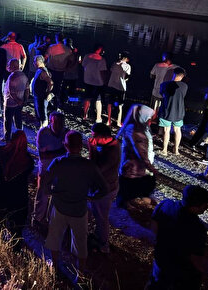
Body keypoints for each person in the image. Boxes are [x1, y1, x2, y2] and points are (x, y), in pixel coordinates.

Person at [43, 130, 108, 272]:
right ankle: (80, 272)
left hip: (60, 207)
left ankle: (54, 265)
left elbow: (45, 181)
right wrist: (91, 197)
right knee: (80, 242)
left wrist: (52, 192)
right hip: (79, 209)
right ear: (81, 146)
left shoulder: (59, 162)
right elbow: (104, 188)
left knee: (55, 238)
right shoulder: (88, 166)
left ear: (65, 145)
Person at [147, 185, 208, 290]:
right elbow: (195, 258)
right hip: (181, 272)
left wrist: (159, 241)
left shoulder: (165, 204)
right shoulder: (197, 228)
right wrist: (204, 271)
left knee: (155, 284)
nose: (207, 208)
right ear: (194, 207)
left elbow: (154, 222)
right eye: (204, 205)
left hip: (160, 260)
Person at [0, 130, 34, 239]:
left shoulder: (1, 151)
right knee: (17, 227)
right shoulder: (27, 160)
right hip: (18, 196)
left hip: (1, 192)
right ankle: (15, 248)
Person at [88, 123, 120, 253]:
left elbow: (95, 169)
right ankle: (98, 236)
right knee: (99, 214)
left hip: (106, 189)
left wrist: (92, 149)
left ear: (103, 136)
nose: (92, 138)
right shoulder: (112, 144)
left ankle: (103, 245)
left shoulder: (111, 152)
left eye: (94, 136)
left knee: (102, 217)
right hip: (107, 186)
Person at [118, 104, 158, 207]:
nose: (149, 119)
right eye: (148, 117)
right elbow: (141, 151)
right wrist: (151, 167)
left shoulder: (137, 126)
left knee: (130, 193)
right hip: (134, 169)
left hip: (133, 167)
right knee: (131, 194)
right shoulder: (136, 130)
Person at [32, 111, 67, 227]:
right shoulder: (43, 133)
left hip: (60, 169)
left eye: (61, 123)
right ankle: (37, 218)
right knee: (43, 192)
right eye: (56, 123)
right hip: (46, 168)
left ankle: (50, 219)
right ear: (51, 122)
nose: (59, 126)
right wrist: (61, 152)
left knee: (56, 194)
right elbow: (43, 156)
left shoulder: (65, 133)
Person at [158, 67, 188, 156]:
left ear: (173, 74)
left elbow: (162, 94)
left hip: (167, 110)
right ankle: (176, 150)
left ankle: (165, 150)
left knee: (166, 130)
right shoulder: (185, 86)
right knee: (177, 130)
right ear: (182, 76)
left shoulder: (164, 84)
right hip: (179, 111)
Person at [81, 44, 109, 122]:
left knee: (87, 98)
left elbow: (83, 66)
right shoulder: (102, 60)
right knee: (98, 100)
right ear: (99, 50)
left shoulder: (87, 56)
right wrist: (105, 82)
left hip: (87, 80)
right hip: (98, 82)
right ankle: (98, 118)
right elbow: (103, 72)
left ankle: (85, 115)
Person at [2, 58, 27, 141]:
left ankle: (7, 138)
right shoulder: (24, 75)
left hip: (10, 103)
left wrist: (17, 101)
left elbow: (11, 92)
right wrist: (24, 100)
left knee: (8, 121)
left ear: (13, 66)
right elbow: (27, 89)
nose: (8, 67)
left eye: (9, 65)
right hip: (19, 103)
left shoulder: (12, 76)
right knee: (18, 120)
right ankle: (20, 137)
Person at [103, 52, 131, 128]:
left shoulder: (114, 63)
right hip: (121, 87)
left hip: (111, 85)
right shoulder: (127, 66)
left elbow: (111, 71)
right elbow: (126, 77)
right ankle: (118, 122)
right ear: (126, 58)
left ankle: (109, 120)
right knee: (120, 105)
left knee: (110, 103)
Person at [45, 33, 71, 101]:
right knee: (57, 87)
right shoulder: (68, 50)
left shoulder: (51, 47)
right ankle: (56, 103)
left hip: (51, 70)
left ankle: (47, 100)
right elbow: (70, 61)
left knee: (49, 85)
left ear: (56, 38)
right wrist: (66, 68)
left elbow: (46, 57)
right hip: (61, 71)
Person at [30, 55, 53, 125]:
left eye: (34, 61)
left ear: (38, 62)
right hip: (38, 96)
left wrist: (48, 93)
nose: (33, 63)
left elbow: (50, 82)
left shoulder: (43, 71)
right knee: (39, 113)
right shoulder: (39, 70)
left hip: (41, 97)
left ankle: (44, 129)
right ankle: (41, 127)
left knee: (43, 114)